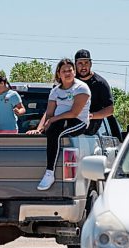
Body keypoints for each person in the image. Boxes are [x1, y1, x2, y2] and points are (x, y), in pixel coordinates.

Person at [36, 58, 91, 191]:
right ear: (58, 74)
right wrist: (39, 129)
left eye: (70, 70)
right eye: (64, 71)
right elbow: (49, 113)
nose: (67, 73)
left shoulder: (81, 88)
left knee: (55, 131)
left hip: (78, 122)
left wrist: (54, 120)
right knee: (52, 131)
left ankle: (50, 173)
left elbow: (74, 113)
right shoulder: (55, 91)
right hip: (59, 122)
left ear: (74, 72)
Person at [74, 49, 114, 135]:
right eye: (80, 63)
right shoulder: (70, 81)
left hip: (91, 131)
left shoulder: (100, 83)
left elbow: (110, 109)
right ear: (75, 65)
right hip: (69, 126)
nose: (83, 67)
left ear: (91, 64)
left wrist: (91, 116)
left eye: (86, 63)